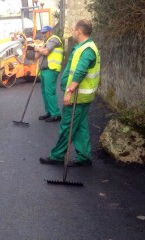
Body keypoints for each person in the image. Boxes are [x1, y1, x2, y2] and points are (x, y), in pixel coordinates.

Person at [39, 19, 101, 167]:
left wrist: (69, 92)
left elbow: (79, 72)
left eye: (74, 30)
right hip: (82, 96)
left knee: (68, 126)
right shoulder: (84, 47)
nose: (73, 32)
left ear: (78, 31)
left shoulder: (87, 49)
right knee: (80, 126)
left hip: (78, 96)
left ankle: (57, 156)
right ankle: (84, 156)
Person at [34, 25, 64, 122]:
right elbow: (36, 56)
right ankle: (49, 112)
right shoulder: (45, 42)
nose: (43, 34)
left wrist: (39, 48)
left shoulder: (54, 39)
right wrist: (37, 48)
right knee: (44, 92)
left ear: (50, 31)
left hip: (51, 69)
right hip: (44, 70)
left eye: (45, 32)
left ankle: (55, 114)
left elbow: (46, 52)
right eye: (42, 33)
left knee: (49, 92)